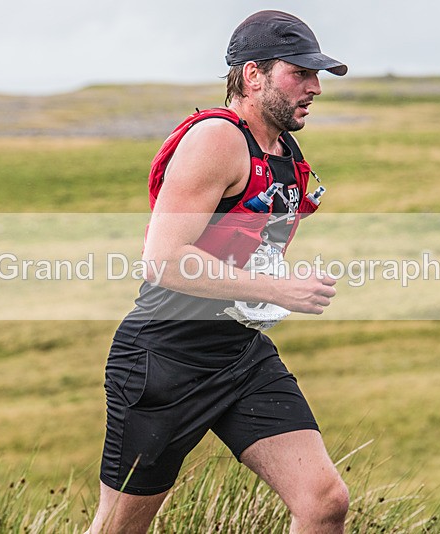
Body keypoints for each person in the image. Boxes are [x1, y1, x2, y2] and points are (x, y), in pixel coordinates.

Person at [89, 10, 349, 534]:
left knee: (324, 502)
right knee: (120, 529)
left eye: (316, 75)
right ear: (252, 75)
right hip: (162, 362)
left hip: (240, 355)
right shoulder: (217, 139)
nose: (315, 87)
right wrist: (277, 288)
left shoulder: (282, 148)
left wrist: (275, 283)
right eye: (300, 72)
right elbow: (162, 259)